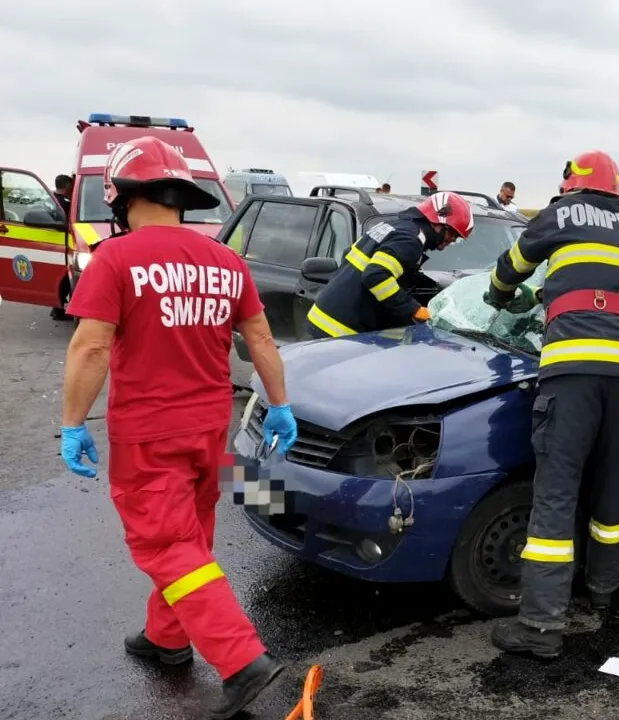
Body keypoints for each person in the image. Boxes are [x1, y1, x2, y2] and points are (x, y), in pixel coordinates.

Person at [57, 136, 298, 719]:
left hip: (149, 432)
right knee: (189, 534)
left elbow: (90, 348)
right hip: (208, 424)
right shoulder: (225, 260)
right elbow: (260, 338)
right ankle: (167, 636)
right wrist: (281, 404)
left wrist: (70, 423)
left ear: (122, 197)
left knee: (165, 542)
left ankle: (241, 661)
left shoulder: (116, 258)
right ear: (180, 197)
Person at [486, 150, 619, 659]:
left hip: (576, 369)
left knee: (557, 492)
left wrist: (499, 295)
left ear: (571, 184)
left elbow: (511, 266)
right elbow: (607, 286)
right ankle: (602, 593)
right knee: (615, 487)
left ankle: (540, 628)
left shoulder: (560, 213)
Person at [305, 191, 473, 338]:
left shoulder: (394, 227)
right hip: (341, 331)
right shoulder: (410, 240)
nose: (452, 240)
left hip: (324, 318)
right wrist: (413, 310)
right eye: (452, 232)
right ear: (437, 222)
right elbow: (375, 275)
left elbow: (348, 254)